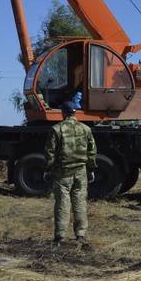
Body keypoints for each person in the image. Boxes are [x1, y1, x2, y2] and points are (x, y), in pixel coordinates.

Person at [45, 101, 96, 245]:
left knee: (62, 203)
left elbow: (50, 153)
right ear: (75, 112)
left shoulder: (56, 129)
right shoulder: (86, 129)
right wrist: (91, 169)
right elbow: (92, 151)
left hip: (63, 173)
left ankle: (60, 236)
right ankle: (80, 235)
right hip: (81, 172)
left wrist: (48, 169)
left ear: (63, 112)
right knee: (80, 202)